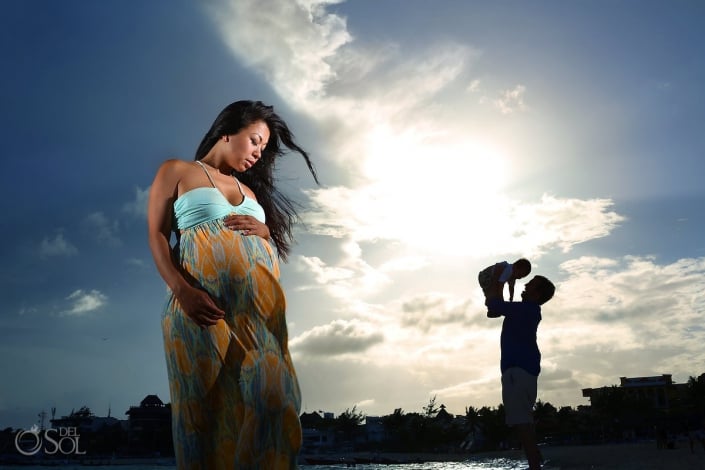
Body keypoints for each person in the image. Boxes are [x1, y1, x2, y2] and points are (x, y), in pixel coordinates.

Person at [147, 100, 318, 469]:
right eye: (255, 140)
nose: (259, 152)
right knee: (206, 417)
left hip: (258, 316)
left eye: (263, 147)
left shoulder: (251, 194)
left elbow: (261, 246)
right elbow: (158, 236)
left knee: (276, 398)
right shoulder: (177, 170)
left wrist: (267, 230)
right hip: (199, 308)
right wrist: (183, 290)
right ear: (228, 130)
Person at [486, 274, 555, 470]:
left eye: (531, 285)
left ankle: (535, 464)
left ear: (538, 293)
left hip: (518, 370)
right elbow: (496, 308)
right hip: (522, 369)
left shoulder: (526, 309)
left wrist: (495, 282)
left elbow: (494, 305)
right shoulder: (527, 310)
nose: (526, 285)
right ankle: (536, 457)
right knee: (524, 418)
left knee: (522, 421)